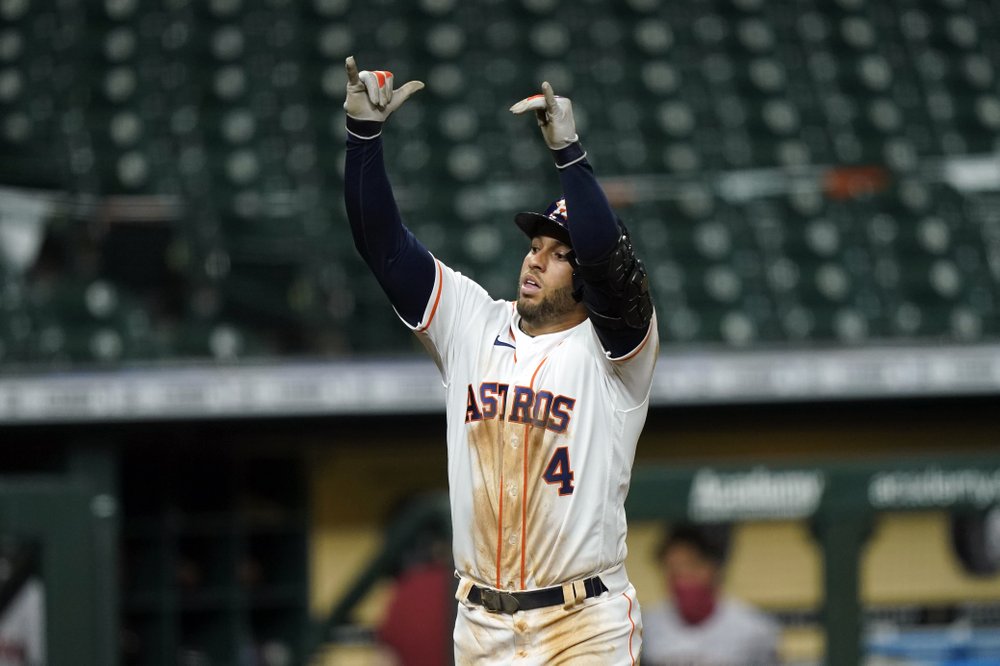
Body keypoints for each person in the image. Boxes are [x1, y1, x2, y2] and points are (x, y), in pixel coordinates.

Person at [343, 55, 658, 664]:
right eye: (533, 245)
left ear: (585, 273)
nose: (535, 260)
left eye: (557, 253)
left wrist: (568, 152)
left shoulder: (617, 351)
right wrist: (363, 135)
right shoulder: (472, 322)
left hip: (584, 622)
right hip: (481, 625)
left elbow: (606, 254)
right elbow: (382, 248)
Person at [641, 523, 781, 666]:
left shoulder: (754, 629)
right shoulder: (645, 627)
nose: (682, 579)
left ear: (713, 568)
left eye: (690, 565)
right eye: (673, 569)